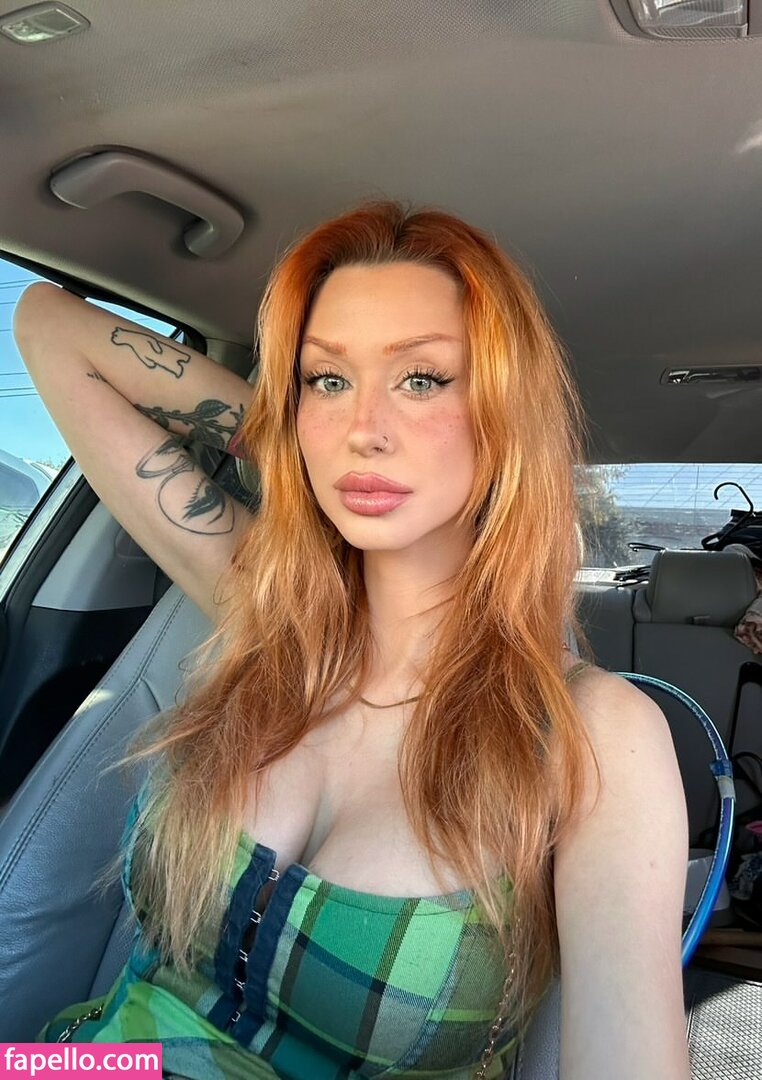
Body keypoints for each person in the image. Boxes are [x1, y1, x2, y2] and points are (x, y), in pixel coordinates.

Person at [13, 200, 691, 1079]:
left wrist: (329, 426)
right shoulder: (270, 614)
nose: (365, 427)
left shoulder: (595, 734)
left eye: (423, 379)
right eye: (326, 379)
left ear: (507, 412)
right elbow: (47, 324)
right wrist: (305, 445)